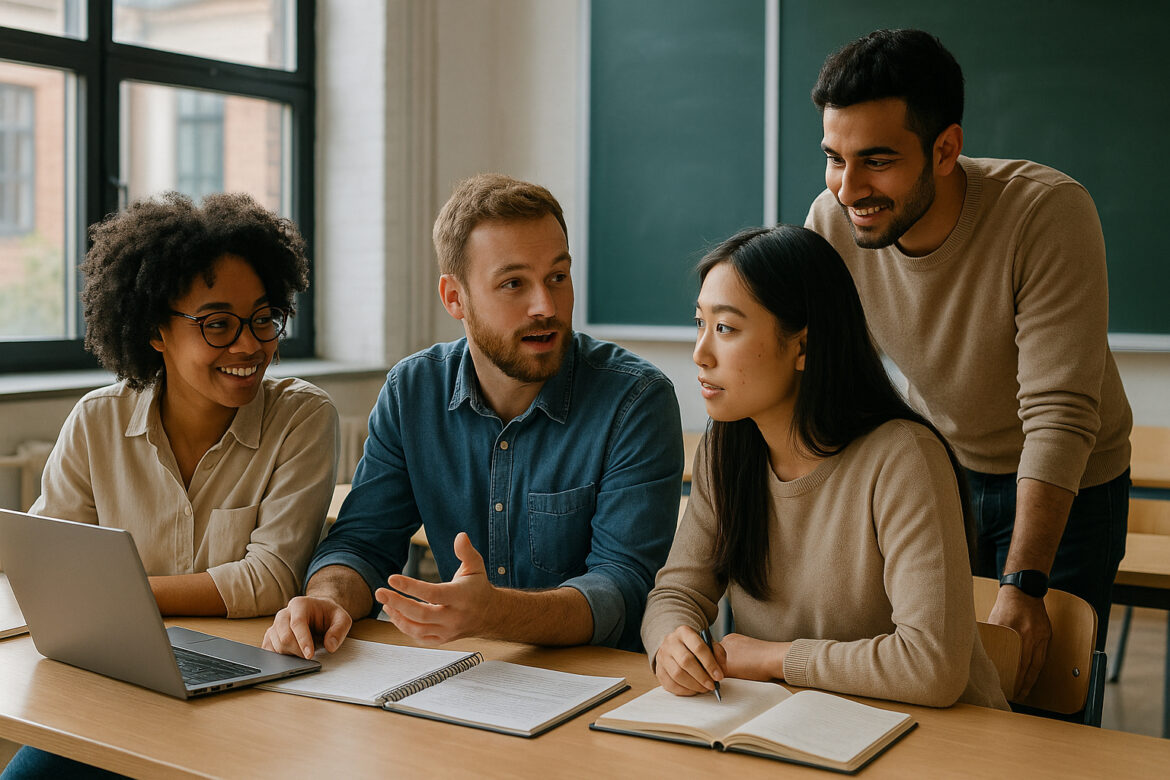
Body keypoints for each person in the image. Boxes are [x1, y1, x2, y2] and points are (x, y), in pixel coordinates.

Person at [804, 29, 1131, 697]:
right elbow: (815, 375)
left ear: (946, 149)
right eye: (835, 159)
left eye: (876, 161)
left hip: (1072, 482)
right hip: (947, 464)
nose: (848, 188)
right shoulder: (833, 222)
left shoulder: (1046, 212)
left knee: (1036, 697)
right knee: (943, 686)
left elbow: (1059, 413)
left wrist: (1024, 583)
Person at [263, 173, 683, 658]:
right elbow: (362, 543)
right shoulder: (412, 391)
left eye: (558, 277)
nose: (545, 306)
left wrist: (494, 614)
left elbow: (624, 587)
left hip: (602, 679)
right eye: (513, 283)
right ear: (454, 298)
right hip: (470, 673)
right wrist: (326, 599)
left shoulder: (636, 400)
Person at [3, 193, 338, 779]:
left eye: (264, 317)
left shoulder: (302, 418)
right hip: (119, 683)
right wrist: (101, 601)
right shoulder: (97, 421)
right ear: (156, 329)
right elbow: (49, 568)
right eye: (218, 324)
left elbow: (268, 581)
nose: (249, 345)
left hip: (248, 693)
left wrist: (121, 597)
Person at [642, 225, 1007, 710]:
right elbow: (675, 593)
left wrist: (774, 658)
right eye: (699, 323)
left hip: (941, 736)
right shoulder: (725, 449)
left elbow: (931, 666)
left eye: (725, 328)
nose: (700, 354)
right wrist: (672, 642)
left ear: (803, 348)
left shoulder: (904, 459)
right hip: (794, 725)